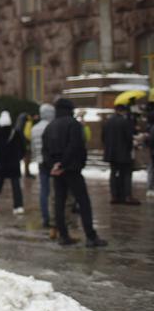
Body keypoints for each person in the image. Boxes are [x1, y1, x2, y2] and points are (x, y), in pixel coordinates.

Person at [42, 98, 108, 247]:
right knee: (83, 202)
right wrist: (64, 164)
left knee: (59, 202)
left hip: (57, 171)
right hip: (72, 169)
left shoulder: (50, 126)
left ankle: (63, 235)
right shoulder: (73, 124)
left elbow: (44, 150)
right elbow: (75, 146)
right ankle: (90, 236)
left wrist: (54, 165)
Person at [0, 110, 25, 214]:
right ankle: (18, 206)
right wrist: (19, 157)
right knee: (16, 186)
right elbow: (23, 147)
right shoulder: (16, 132)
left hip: (3, 165)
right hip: (14, 164)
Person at [103, 104, 139, 205]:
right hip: (123, 153)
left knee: (113, 173)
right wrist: (130, 147)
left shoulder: (107, 122)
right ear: (122, 111)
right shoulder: (124, 122)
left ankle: (114, 196)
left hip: (111, 153)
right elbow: (128, 138)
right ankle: (127, 196)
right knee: (127, 174)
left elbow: (103, 137)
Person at [31, 104, 57, 238]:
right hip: (51, 162)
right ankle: (53, 218)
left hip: (41, 162)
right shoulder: (52, 126)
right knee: (54, 192)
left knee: (44, 191)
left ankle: (45, 216)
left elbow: (33, 147)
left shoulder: (35, 128)